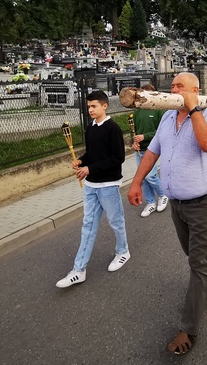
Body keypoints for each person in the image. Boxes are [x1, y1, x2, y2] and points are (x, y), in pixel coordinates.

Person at [127, 72, 207, 356]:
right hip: (176, 203)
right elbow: (152, 152)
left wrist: (193, 108)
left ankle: (188, 329)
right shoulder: (169, 116)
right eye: (172, 86)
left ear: (195, 89)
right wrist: (135, 181)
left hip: (203, 201)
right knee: (194, 256)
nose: (173, 89)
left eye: (180, 86)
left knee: (198, 261)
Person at [56, 90, 129, 288]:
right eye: (88, 107)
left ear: (105, 106)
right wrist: (82, 160)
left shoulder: (113, 128)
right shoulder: (90, 128)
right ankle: (79, 270)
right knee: (88, 226)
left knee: (116, 221)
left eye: (94, 106)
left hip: (108, 185)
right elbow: (92, 153)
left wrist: (90, 168)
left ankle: (123, 251)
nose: (90, 110)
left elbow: (117, 158)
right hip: (90, 185)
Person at [132, 84, 168, 218]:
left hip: (153, 148)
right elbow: (134, 131)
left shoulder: (159, 110)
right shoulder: (138, 111)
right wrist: (134, 142)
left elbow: (162, 130)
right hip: (140, 149)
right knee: (143, 177)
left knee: (150, 175)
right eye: (143, 94)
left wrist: (145, 136)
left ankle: (163, 195)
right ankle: (151, 202)